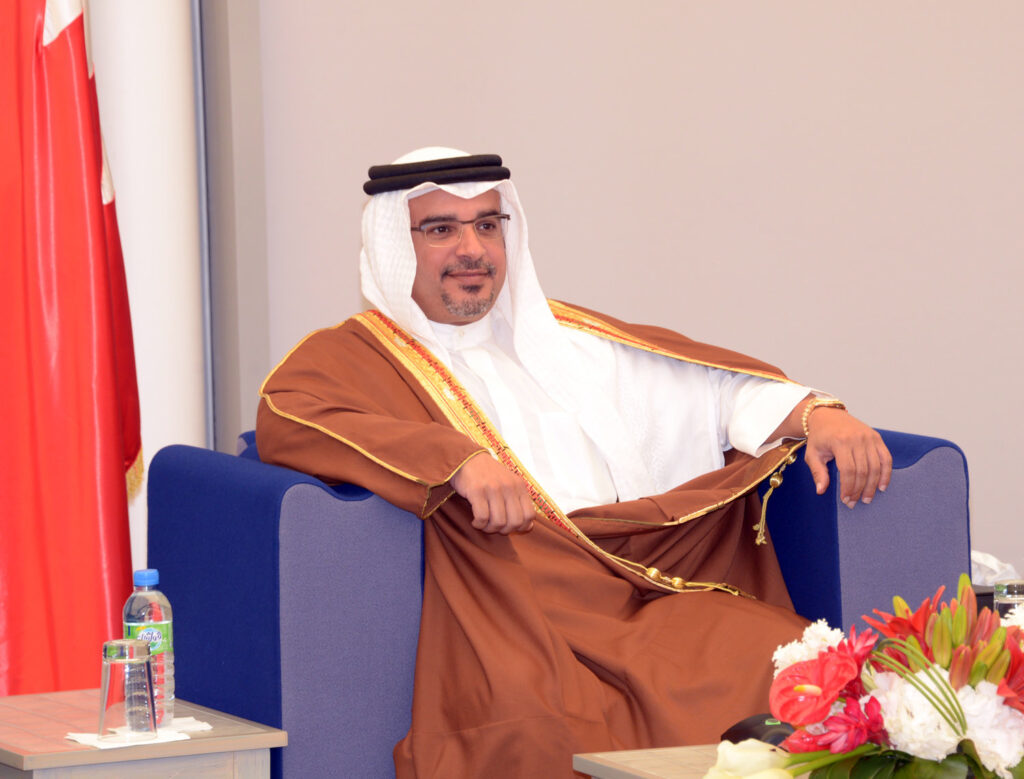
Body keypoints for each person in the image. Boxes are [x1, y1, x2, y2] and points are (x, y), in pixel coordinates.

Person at [256, 147, 892, 778]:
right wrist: (457, 461)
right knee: (539, 717)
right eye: (441, 230)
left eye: (487, 225)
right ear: (397, 245)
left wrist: (817, 416)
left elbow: (719, 392)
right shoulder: (353, 357)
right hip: (512, 592)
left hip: (631, 584)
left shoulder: (563, 337)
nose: (472, 249)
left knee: (783, 655)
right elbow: (288, 416)